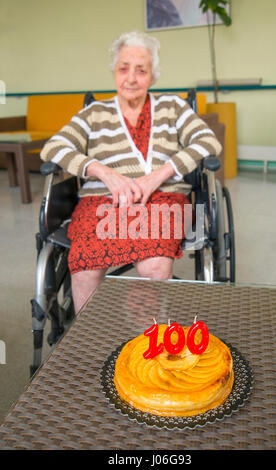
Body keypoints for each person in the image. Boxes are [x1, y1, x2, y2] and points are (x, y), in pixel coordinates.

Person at [40, 30, 222, 313]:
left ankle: (150, 346)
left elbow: (207, 141)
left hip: (163, 199)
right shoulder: (94, 114)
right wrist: (103, 172)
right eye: (124, 68)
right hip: (103, 201)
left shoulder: (172, 107)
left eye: (141, 70)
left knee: (155, 266)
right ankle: (88, 342)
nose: (131, 78)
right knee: (86, 267)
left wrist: (158, 175)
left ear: (153, 75)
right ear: (114, 70)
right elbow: (54, 148)